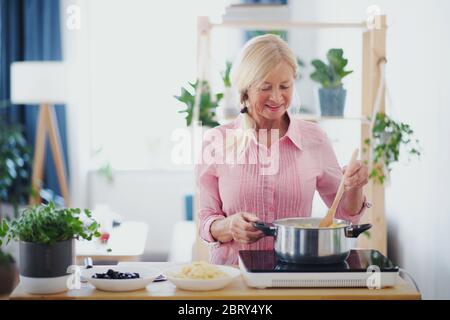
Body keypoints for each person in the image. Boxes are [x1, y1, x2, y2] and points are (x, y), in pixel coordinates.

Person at [195, 34, 369, 265]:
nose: (277, 97)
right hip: (233, 278)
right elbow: (207, 222)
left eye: (285, 86)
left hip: (296, 277)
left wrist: (354, 187)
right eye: (265, 87)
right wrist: (229, 226)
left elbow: (344, 214)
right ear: (245, 89)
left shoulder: (314, 139)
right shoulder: (217, 140)